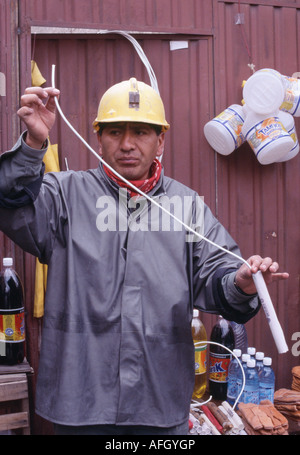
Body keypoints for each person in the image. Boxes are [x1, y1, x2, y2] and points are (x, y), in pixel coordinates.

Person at [0, 78, 288, 435]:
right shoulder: (63, 195)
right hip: (79, 404)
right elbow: (11, 204)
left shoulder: (187, 208)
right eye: (115, 132)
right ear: (98, 138)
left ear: (160, 140)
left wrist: (241, 283)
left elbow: (221, 276)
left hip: (158, 404)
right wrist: (33, 145)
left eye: (140, 132)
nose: (127, 144)